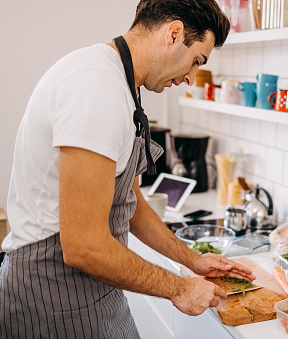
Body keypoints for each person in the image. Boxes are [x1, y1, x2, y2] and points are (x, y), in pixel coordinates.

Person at [0, 0, 255, 338]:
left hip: (93, 286)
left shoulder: (121, 85)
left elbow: (129, 200)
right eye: (196, 61)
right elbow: (84, 246)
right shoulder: (95, 87)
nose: (191, 78)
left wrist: (191, 259)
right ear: (174, 33)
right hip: (52, 292)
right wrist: (179, 288)